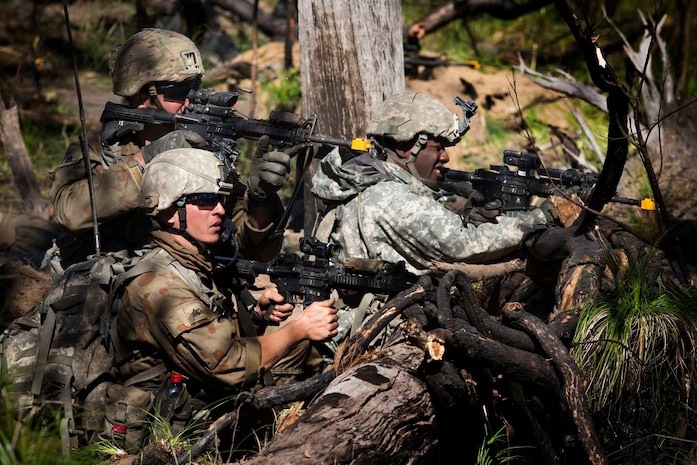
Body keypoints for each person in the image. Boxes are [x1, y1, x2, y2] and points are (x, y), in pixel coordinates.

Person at [101, 147, 338, 450]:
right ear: (169, 211)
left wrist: (255, 316)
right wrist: (298, 328)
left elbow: (207, 329)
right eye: (204, 200)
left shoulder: (193, 260)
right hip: (169, 430)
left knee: (300, 341)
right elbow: (227, 365)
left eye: (221, 200)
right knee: (297, 335)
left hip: (195, 394)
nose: (220, 210)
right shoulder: (158, 284)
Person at [309, 92, 558, 348]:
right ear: (406, 147)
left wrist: (473, 217)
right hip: (379, 338)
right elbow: (465, 246)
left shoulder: (376, 185)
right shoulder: (390, 196)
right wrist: (542, 216)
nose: (446, 157)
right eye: (437, 148)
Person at [49, 28, 291, 269]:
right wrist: (147, 158)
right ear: (141, 95)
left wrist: (262, 202)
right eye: (177, 92)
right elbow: (70, 214)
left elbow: (254, 251)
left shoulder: (204, 153)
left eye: (195, 87)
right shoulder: (101, 148)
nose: (191, 100)